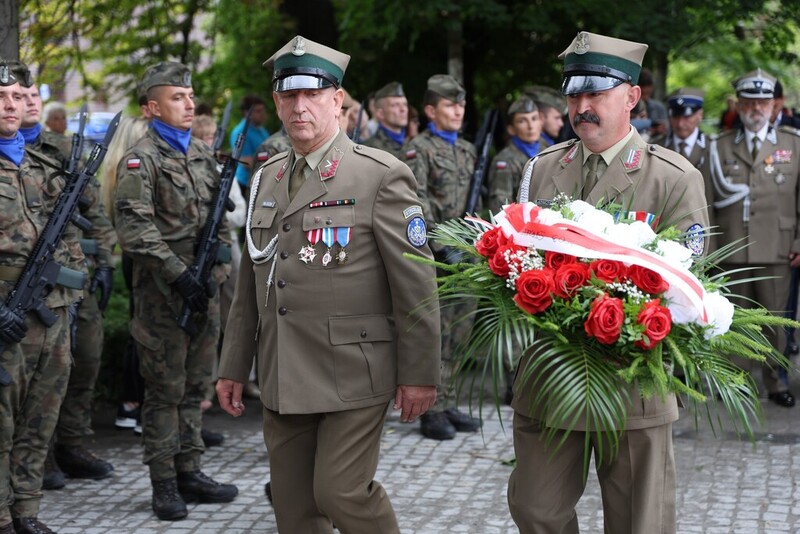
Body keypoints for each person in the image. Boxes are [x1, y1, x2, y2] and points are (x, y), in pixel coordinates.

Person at [216, 35, 441, 533]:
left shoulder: (379, 176)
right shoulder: (268, 175)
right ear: (276, 101)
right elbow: (255, 282)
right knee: (294, 510)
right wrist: (233, 365)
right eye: (289, 96)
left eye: (313, 94)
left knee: (340, 491)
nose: (300, 107)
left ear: (337, 99)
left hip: (353, 370)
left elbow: (416, 284)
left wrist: (421, 374)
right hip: (282, 370)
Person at [509, 31, 709, 534]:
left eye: (596, 93)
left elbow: (690, 286)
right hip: (552, 375)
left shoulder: (672, 178)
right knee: (536, 510)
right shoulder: (541, 170)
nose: (583, 106)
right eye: (574, 94)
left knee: (638, 522)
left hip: (633, 382)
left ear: (632, 97)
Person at [113, 61, 237, 521]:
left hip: (204, 288)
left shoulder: (203, 156)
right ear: (151, 108)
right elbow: (134, 228)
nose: (189, 103)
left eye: (190, 96)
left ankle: (191, 468)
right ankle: (164, 481)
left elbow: (219, 220)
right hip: (164, 294)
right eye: (177, 97)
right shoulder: (140, 160)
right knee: (164, 391)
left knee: (195, 386)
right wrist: (178, 273)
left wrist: (216, 271)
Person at [12, 61, 117, 489]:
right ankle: (41, 457)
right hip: (30, 281)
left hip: (73, 274)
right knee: (32, 373)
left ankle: (70, 442)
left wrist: (107, 259)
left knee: (83, 359)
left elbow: (95, 210)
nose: (29, 102)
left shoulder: (62, 146)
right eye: (21, 96)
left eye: (33, 95)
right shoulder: (13, 154)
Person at [0, 57, 84, 534]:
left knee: (39, 419)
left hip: (48, 314)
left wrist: (70, 285)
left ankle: (27, 512)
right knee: (2, 426)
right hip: (5, 315)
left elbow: (68, 238)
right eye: (1, 98)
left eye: (17, 97)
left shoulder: (41, 163)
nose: (11, 105)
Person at [708, 69, 800, 408]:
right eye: (749, 102)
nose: (756, 108)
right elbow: (706, 202)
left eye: (762, 101)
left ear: (774, 105)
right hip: (732, 247)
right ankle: (737, 380)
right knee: (732, 317)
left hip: (777, 246)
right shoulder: (717, 147)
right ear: (740, 106)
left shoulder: (793, 144)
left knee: (774, 320)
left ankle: (776, 381)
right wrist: (710, 249)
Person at [404, 74, 481, 440]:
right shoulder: (419, 149)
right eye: (451, 105)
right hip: (436, 257)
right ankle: (430, 410)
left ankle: (448, 399)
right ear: (431, 110)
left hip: (466, 253)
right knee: (434, 334)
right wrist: (439, 244)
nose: (458, 110)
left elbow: (476, 201)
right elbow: (415, 201)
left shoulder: (467, 150)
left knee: (459, 331)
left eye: (461, 105)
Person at [487, 96, 542, 214]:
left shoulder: (549, 151)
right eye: (522, 121)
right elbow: (500, 206)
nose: (530, 126)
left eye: (534, 118)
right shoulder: (505, 160)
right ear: (511, 129)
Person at [231, 94, 269, 200]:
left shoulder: (261, 130)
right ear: (246, 113)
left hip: (261, 179)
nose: (262, 114)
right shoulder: (240, 132)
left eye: (262, 110)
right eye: (258, 111)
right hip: (246, 183)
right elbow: (245, 161)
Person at [362, 81, 409, 159]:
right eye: (395, 105)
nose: (403, 109)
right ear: (380, 113)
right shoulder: (370, 149)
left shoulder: (412, 144)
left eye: (405, 104)